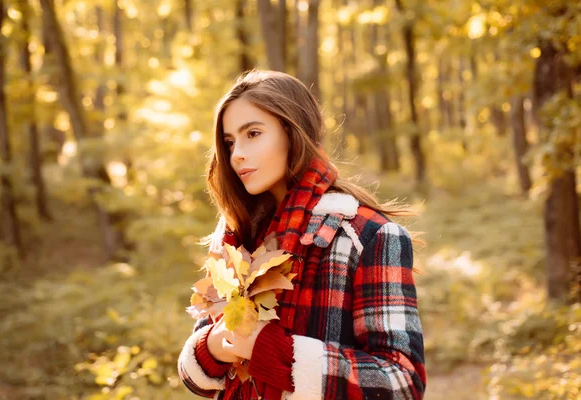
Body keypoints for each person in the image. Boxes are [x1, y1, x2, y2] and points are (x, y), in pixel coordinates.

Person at [178, 70, 426, 400]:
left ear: (292, 132)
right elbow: (200, 380)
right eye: (229, 142)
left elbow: (402, 383)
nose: (236, 153)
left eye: (252, 133)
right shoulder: (237, 238)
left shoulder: (368, 236)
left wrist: (274, 352)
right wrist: (211, 346)